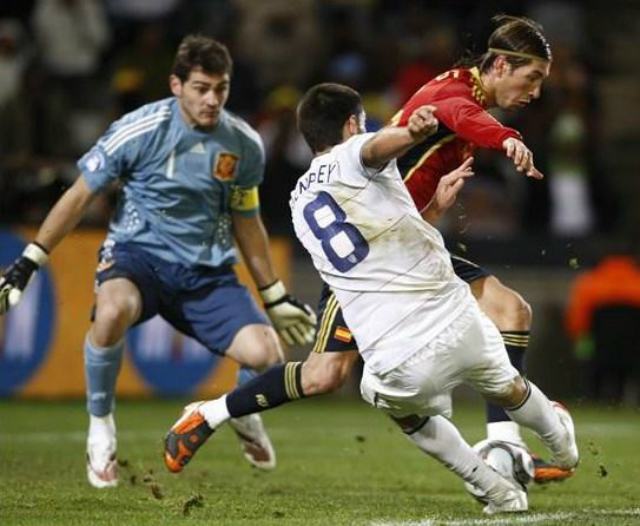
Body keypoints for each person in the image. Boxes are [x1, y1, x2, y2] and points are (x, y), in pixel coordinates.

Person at [163, 15, 569, 483]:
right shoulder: (454, 92)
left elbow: (402, 200)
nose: (536, 90)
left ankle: (504, 449)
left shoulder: (464, 95)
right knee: (324, 375)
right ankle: (210, 413)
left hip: (406, 250)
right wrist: (506, 138)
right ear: (499, 65)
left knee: (510, 310)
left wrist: (433, 208)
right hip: (368, 265)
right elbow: (453, 114)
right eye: (532, 77)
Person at [0, 35, 316, 488]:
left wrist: (275, 296)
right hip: (138, 259)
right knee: (111, 311)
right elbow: (79, 196)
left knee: (266, 355)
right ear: (176, 85)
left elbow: (247, 221)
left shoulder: (243, 143)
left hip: (206, 274)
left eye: (221, 89)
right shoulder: (139, 129)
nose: (212, 100)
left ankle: (243, 412)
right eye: (201, 88)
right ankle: (101, 428)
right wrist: (29, 262)